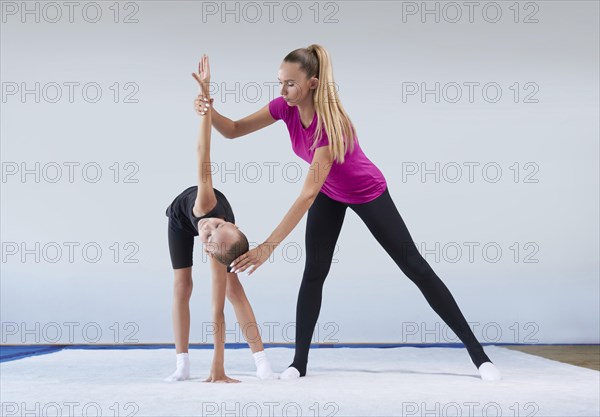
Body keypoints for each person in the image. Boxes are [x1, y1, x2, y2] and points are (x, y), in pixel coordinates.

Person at [202, 45, 501, 382]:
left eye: (290, 83)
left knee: (415, 266)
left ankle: (479, 356)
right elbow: (234, 130)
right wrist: (209, 109)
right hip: (331, 193)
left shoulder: (330, 128)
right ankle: (299, 363)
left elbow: (305, 196)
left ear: (313, 83)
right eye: (280, 82)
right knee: (314, 272)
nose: (282, 90)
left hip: (366, 191)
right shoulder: (284, 109)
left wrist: (267, 247)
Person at [164, 55, 276, 383]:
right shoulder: (207, 206)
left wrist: (218, 365)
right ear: (231, 223)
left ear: (210, 252)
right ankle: (182, 363)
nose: (209, 227)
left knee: (231, 289)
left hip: (224, 246)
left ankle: (261, 361)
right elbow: (204, 153)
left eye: (211, 235)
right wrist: (206, 106)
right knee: (181, 285)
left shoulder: (217, 247)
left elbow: (216, 312)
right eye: (218, 225)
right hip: (179, 217)